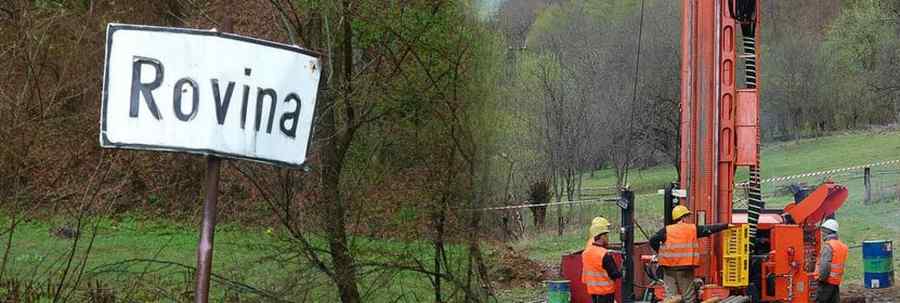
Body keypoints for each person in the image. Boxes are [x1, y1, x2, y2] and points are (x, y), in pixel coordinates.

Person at [649, 205, 730, 303]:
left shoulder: (667, 230)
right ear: (683, 217)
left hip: (668, 268)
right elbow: (709, 228)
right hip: (685, 268)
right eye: (687, 216)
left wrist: (660, 252)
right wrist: (726, 225)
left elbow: (653, 240)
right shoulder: (691, 229)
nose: (688, 218)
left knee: (671, 298)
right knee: (688, 297)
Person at [582, 217, 621, 303]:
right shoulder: (604, 254)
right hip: (606, 292)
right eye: (606, 235)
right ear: (602, 236)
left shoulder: (586, 252)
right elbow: (615, 274)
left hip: (593, 291)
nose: (607, 237)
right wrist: (623, 270)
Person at [815, 219, 847, 303]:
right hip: (835, 282)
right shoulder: (842, 246)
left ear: (826, 231)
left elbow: (825, 265)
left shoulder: (829, 246)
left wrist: (821, 279)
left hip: (826, 282)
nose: (821, 233)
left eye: (823, 231)